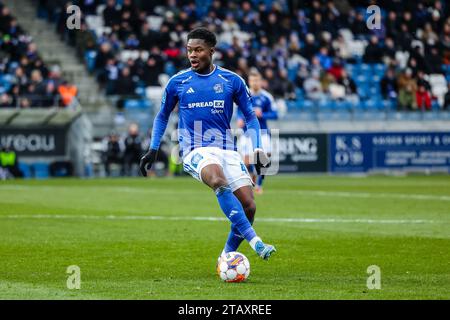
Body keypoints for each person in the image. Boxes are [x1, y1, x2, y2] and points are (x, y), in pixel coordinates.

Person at [139, 28, 276, 261]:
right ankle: (256, 242)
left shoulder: (232, 81)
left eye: (198, 50)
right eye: (189, 50)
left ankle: (226, 256)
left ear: (211, 51)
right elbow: (162, 116)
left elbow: (251, 118)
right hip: (195, 149)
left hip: (227, 149)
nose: (192, 54)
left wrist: (257, 148)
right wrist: (153, 148)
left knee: (249, 207)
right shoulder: (177, 82)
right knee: (217, 180)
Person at [237, 69, 278, 194]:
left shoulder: (266, 97)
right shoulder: (244, 94)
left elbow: (275, 114)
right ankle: (250, 182)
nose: (254, 82)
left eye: (256, 80)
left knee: (264, 159)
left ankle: (259, 185)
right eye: (252, 80)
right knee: (246, 161)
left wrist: (263, 114)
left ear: (260, 81)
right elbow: (239, 111)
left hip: (262, 132)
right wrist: (239, 118)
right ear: (249, 81)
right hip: (247, 133)